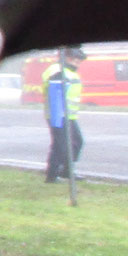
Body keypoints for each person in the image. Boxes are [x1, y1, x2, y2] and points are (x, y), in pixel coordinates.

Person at [43, 47, 85, 183]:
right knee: (60, 145)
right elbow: (55, 92)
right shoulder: (57, 70)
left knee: (77, 142)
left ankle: (66, 171)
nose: (77, 63)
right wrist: (57, 115)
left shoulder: (71, 72)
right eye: (75, 60)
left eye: (79, 61)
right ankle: (52, 175)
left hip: (69, 116)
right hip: (58, 114)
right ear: (66, 58)